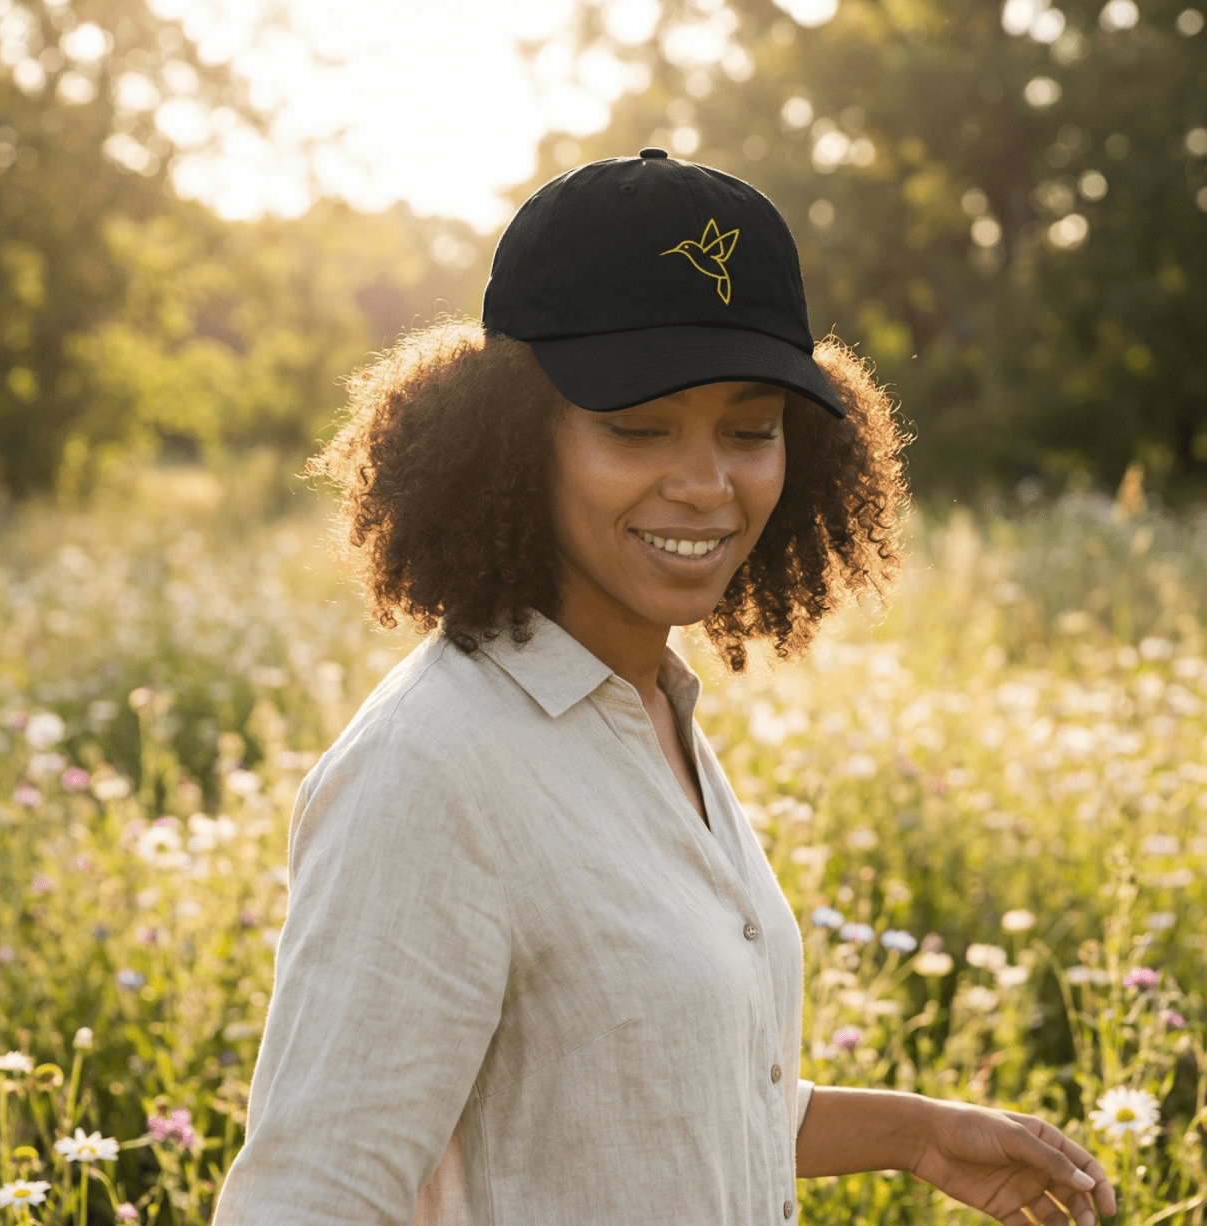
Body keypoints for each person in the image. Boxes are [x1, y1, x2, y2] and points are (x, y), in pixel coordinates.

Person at [210, 150, 1116, 1226]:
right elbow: (310, 1195)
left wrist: (914, 1132)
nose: (706, 482)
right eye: (638, 426)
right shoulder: (431, 769)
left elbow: (641, 1097)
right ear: (513, 435)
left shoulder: (646, 706)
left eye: (750, 428)